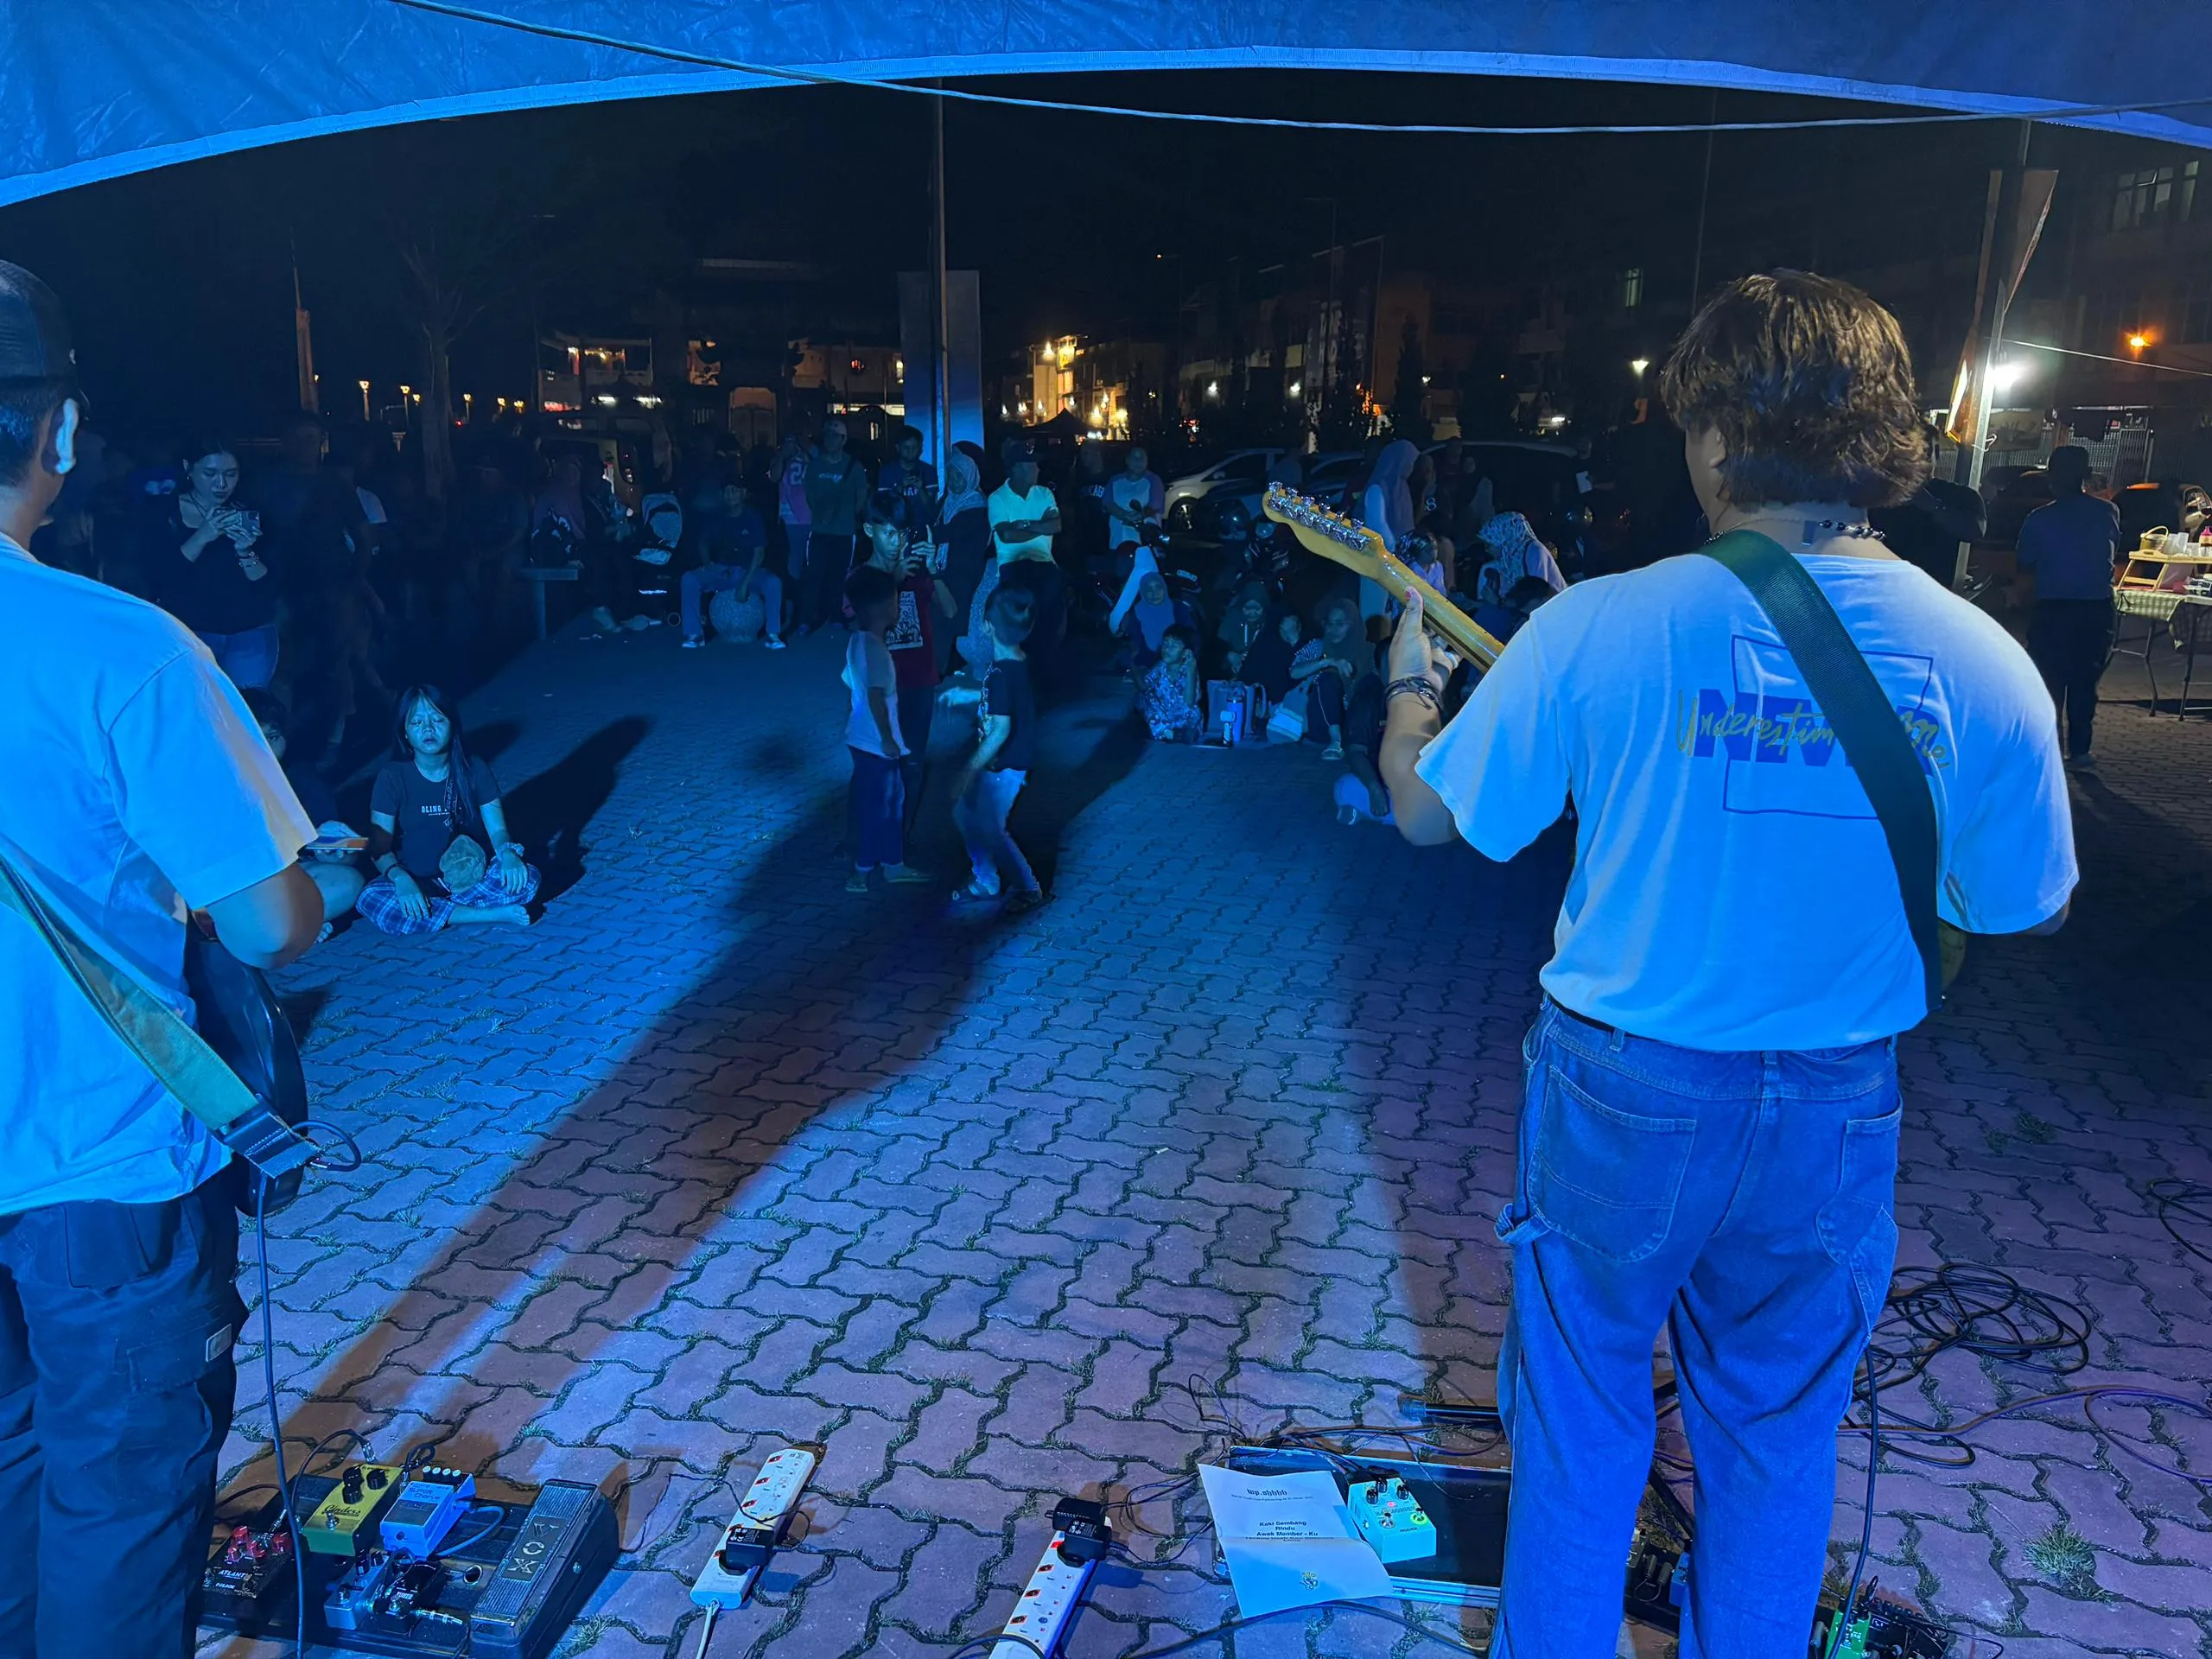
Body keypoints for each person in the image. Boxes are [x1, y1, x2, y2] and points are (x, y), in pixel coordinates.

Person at [1379, 270, 2076, 1659]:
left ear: (1711, 437)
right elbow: (2028, 910)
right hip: (1835, 1101)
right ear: (1882, 438)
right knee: (1774, 1435)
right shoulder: (1986, 660)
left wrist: (1409, 686)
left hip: (1625, 1093)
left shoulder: (1603, 625)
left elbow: (1428, 814)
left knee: (1581, 1420)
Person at [0, 259, 325, 1656]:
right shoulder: (116, 651)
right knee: (118, 1499)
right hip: (101, 1167)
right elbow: (270, 922)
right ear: (61, 431)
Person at [358, 685, 538, 933]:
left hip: (470, 878)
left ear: (452, 725)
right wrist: (401, 880)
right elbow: (380, 848)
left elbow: (497, 831)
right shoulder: (392, 776)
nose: (428, 729)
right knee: (370, 897)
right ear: (405, 733)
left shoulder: (474, 768)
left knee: (528, 878)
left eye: (437, 719)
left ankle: (443, 913)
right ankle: (485, 914)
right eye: (417, 722)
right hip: (417, 881)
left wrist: (508, 854)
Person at [2014, 443, 2121, 770]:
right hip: (2095, 608)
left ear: (2052, 477)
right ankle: (2080, 750)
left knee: (2049, 682)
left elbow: (2024, 563)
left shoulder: (2039, 519)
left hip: (2054, 608)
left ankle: (2048, 750)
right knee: (2084, 681)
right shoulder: (2107, 512)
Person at [946, 586, 1044, 913]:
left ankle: (1027, 887)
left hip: (1004, 765)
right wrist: (968, 695)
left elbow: (1000, 730)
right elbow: (1005, 703)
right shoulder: (1017, 662)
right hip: (1007, 761)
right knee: (964, 814)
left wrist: (969, 769)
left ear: (987, 625)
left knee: (991, 827)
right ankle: (986, 879)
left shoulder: (1002, 673)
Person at [239, 687, 366, 935]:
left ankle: (290, 926)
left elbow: (344, 851)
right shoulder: (222, 784)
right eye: (254, 740)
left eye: (272, 738)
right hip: (243, 887)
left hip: (290, 880)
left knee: (348, 882)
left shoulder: (300, 777)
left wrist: (338, 847)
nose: (265, 750)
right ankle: (295, 924)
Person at [156, 438, 280, 688]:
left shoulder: (252, 511)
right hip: (189, 635)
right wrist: (201, 537)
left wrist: (245, 551)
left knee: (248, 706)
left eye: (230, 474)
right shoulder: (161, 512)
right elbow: (159, 577)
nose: (221, 484)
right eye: (210, 474)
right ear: (188, 468)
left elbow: (269, 586)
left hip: (249, 635)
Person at [841, 564, 930, 893]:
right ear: (885, 606)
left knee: (889, 801)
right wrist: (888, 738)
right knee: (883, 805)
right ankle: (865, 869)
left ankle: (891, 863)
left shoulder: (857, 641)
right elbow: (876, 697)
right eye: (894, 600)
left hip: (862, 738)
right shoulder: (877, 650)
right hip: (876, 744)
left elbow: (851, 682)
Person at [1868, 424, 1985, 587]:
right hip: (1886, 586)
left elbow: (1976, 530)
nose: (1928, 454)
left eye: (1932, 448)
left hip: (1935, 589)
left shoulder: (1961, 496)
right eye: (1921, 448)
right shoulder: (1881, 496)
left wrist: (1935, 507)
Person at [988, 438, 1065, 671]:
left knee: (1049, 613)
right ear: (1018, 468)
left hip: (1044, 564)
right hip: (1013, 565)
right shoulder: (997, 498)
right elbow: (1007, 536)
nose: (1038, 469)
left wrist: (1025, 525)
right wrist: (1040, 525)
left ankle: (1044, 668)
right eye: (1033, 465)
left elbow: (1056, 526)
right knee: (1021, 617)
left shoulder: (1044, 493)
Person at [680, 480, 783, 649]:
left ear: (743, 493)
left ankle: (773, 634)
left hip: (748, 571)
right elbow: (703, 543)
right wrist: (708, 565)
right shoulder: (715, 516)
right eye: (727, 491)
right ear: (721, 495)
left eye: (734, 491)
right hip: (722, 571)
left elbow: (759, 553)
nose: (730, 495)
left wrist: (744, 584)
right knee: (689, 579)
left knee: (773, 582)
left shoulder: (753, 516)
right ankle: (694, 634)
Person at [798, 418, 870, 634]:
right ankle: (806, 618)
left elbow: (862, 494)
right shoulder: (815, 466)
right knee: (814, 575)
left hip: (845, 532)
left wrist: (849, 514)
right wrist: (821, 514)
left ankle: (836, 616)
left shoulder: (854, 466)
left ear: (843, 439)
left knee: (838, 576)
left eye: (835, 436)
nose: (830, 440)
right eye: (827, 436)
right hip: (820, 531)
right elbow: (810, 495)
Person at [933, 448, 991, 673]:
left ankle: (949, 667)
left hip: (963, 573)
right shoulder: (947, 501)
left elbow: (946, 533)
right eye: (951, 475)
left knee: (953, 619)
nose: (954, 481)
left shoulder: (975, 506)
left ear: (970, 477)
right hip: (946, 570)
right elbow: (933, 522)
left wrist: (924, 534)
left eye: (960, 476)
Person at [1288, 596, 1363, 758]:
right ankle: (1336, 740)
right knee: (1327, 679)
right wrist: (1327, 662)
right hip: (1319, 723)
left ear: (1352, 625)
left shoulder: (1364, 650)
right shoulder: (1317, 646)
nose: (1333, 629)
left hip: (1352, 722)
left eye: (1340, 624)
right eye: (1330, 624)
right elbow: (1294, 672)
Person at [1470, 512, 1567, 607]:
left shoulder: (1535, 551)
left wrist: (1498, 602)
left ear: (1504, 539)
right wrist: (1474, 604)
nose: (1487, 550)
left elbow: (1536, 598)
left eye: (1489, 545)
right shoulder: (1508, 562)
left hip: (1557, 610)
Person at [1105, 444, 1165, 574]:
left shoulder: (1153, 480)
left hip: (1144, 543)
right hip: (1118, 541)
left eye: (1142, 458)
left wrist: (1140, 516)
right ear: (1127, 460)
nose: (1138, 461)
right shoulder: (1115, 481)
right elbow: (1108, 503)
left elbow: (1155, 505)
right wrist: (1124, 515)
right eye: (1134, 458)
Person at [869, 424, 938, 535]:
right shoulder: (887, 472)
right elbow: (882, 506)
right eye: (906, 448)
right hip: (896, 531)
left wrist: (920, 489)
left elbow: (931, 510)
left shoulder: (929, 471)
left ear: (920, 449)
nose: (910, 452)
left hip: (923, 530)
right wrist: (900, 487)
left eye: (914, 448)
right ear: (898, 448)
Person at [1139, 623, 1203, 741]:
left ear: (1185, 652)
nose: (1167, 649)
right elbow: (1145, 687)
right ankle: (1167, 733)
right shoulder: (1159, 668)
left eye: (1174, 646)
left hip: (1185, 721)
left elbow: (1189, 702)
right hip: (1166, 719)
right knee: (1146, 699)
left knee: (1191, 711)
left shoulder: (1189, 670)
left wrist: (1191, 670)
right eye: (1165, 644)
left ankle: (1180, 734)